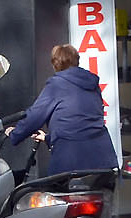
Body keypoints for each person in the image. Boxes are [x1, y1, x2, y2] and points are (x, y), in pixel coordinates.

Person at [6, 43, 118, 175]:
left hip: (70, 161)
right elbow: (82, 123)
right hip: (103, 158)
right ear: (77, 61)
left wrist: (16, 134)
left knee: (57, 194)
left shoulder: (56, 84)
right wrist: (48, 138)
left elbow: (35, 116)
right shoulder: (92, 84)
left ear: (55, 64)